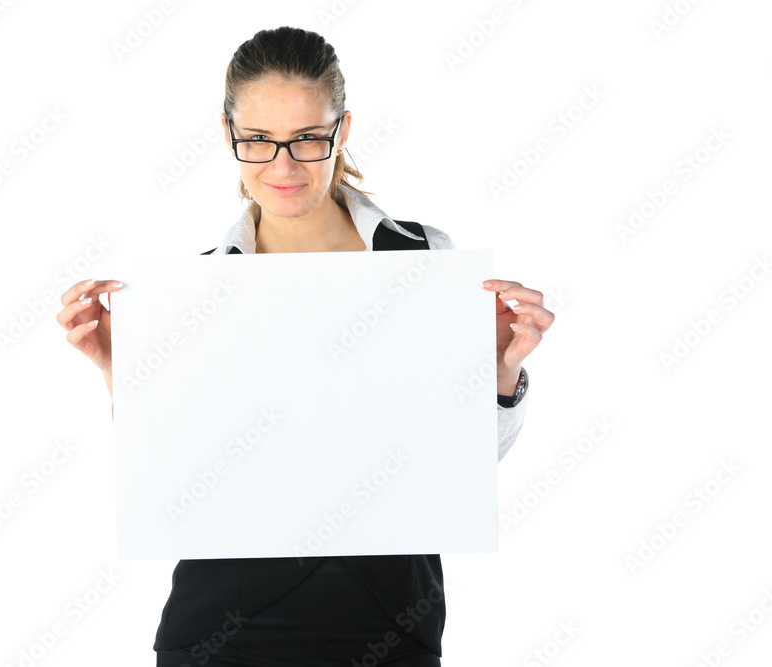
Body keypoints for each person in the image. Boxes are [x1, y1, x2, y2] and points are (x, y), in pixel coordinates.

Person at [57, 26, 554, 667]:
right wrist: (119, 371)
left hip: (388, 621)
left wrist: (500, 374)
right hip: (220, 629)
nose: (283, 165)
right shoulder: (195, 290)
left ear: (342, 131)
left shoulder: (424, 261)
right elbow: (174, 469)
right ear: (228, 134)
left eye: (308, 138)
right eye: (258, 139)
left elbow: (460, 467)